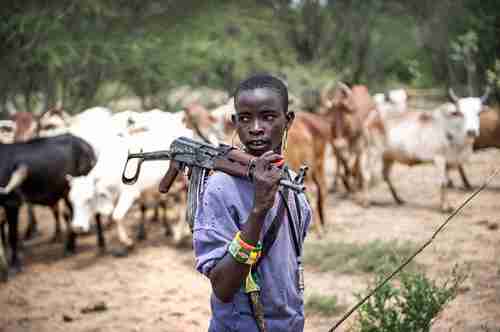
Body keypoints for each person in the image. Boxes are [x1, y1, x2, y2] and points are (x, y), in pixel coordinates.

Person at [193, 74, 312, 332]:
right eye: (245, 118)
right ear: (235, 123)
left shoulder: (292, 184)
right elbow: (223, 287)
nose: (256, 127)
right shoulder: (221, 188)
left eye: (268, 117)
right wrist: (259, 210)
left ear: (288, 120)